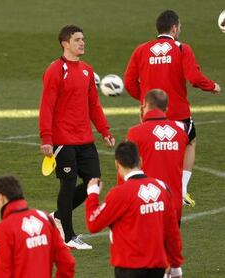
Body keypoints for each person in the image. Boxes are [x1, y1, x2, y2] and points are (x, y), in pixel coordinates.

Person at [124, 10, 221, 206]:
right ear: (174, 28)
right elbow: (194, 78)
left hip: (150, 113)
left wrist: (145, 100)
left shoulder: (142, 50)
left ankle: (147, 192)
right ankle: (182, 188)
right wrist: (213, 86)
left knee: (150, 150)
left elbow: (129, 81)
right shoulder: (181, 48)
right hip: (178, 113)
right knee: (189, 142)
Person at [39, 24, 115, 249]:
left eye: (83, 39)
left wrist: (105, 131)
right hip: (63, 140)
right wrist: (47, 138)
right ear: (65, 43)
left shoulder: (87, 70)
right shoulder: (55, 70)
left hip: (85, 139)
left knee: (95, 180)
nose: (82, 43)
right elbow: (47, 106)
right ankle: (67, 236)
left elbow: (94, 104)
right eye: (77, 40)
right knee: (68, 184)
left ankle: (58, 216)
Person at [86, 141, 183, 278]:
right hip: (157, 267)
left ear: (117, 164)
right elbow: (172, 230)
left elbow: (93, 224)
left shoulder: (120, 194)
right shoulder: (161, 188)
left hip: (129, 268)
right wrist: (175, 264)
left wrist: (93, 194)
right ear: (140, 161)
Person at [0, 175, 75, 278]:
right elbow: (67, 263)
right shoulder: (44, 218)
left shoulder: (3, 229)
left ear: (2, 198)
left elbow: (0, 274)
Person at [126, 89, 188, 222]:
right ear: (166, 108)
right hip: (174, 204)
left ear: (144, 106)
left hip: (148, 204)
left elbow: (128, 170)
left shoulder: (135, 133)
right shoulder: (181, 129)